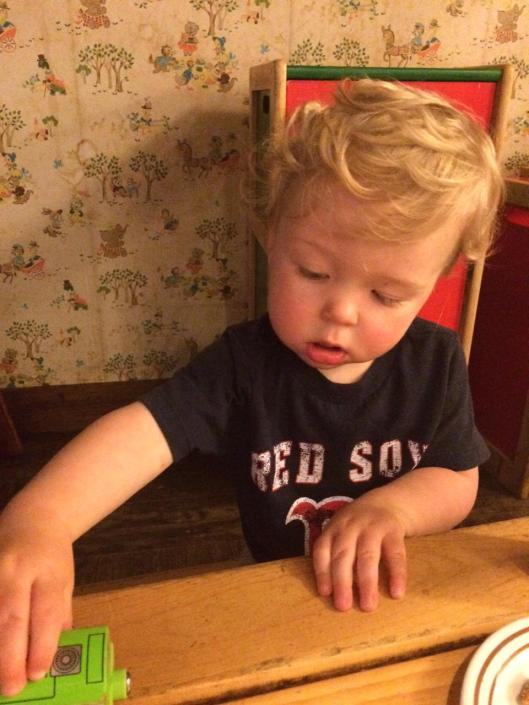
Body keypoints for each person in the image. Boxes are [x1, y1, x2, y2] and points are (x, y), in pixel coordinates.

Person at [0, 78, 503, 696]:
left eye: (386, 295)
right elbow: (136, 436)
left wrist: (394, 509)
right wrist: (40, 522)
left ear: (439, 277)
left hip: (396, 588)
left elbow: (456, 476)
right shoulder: (242, 365)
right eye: (312, 272)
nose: (341, 311)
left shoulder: (437, 360)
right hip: (276, 585)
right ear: (271, 234)